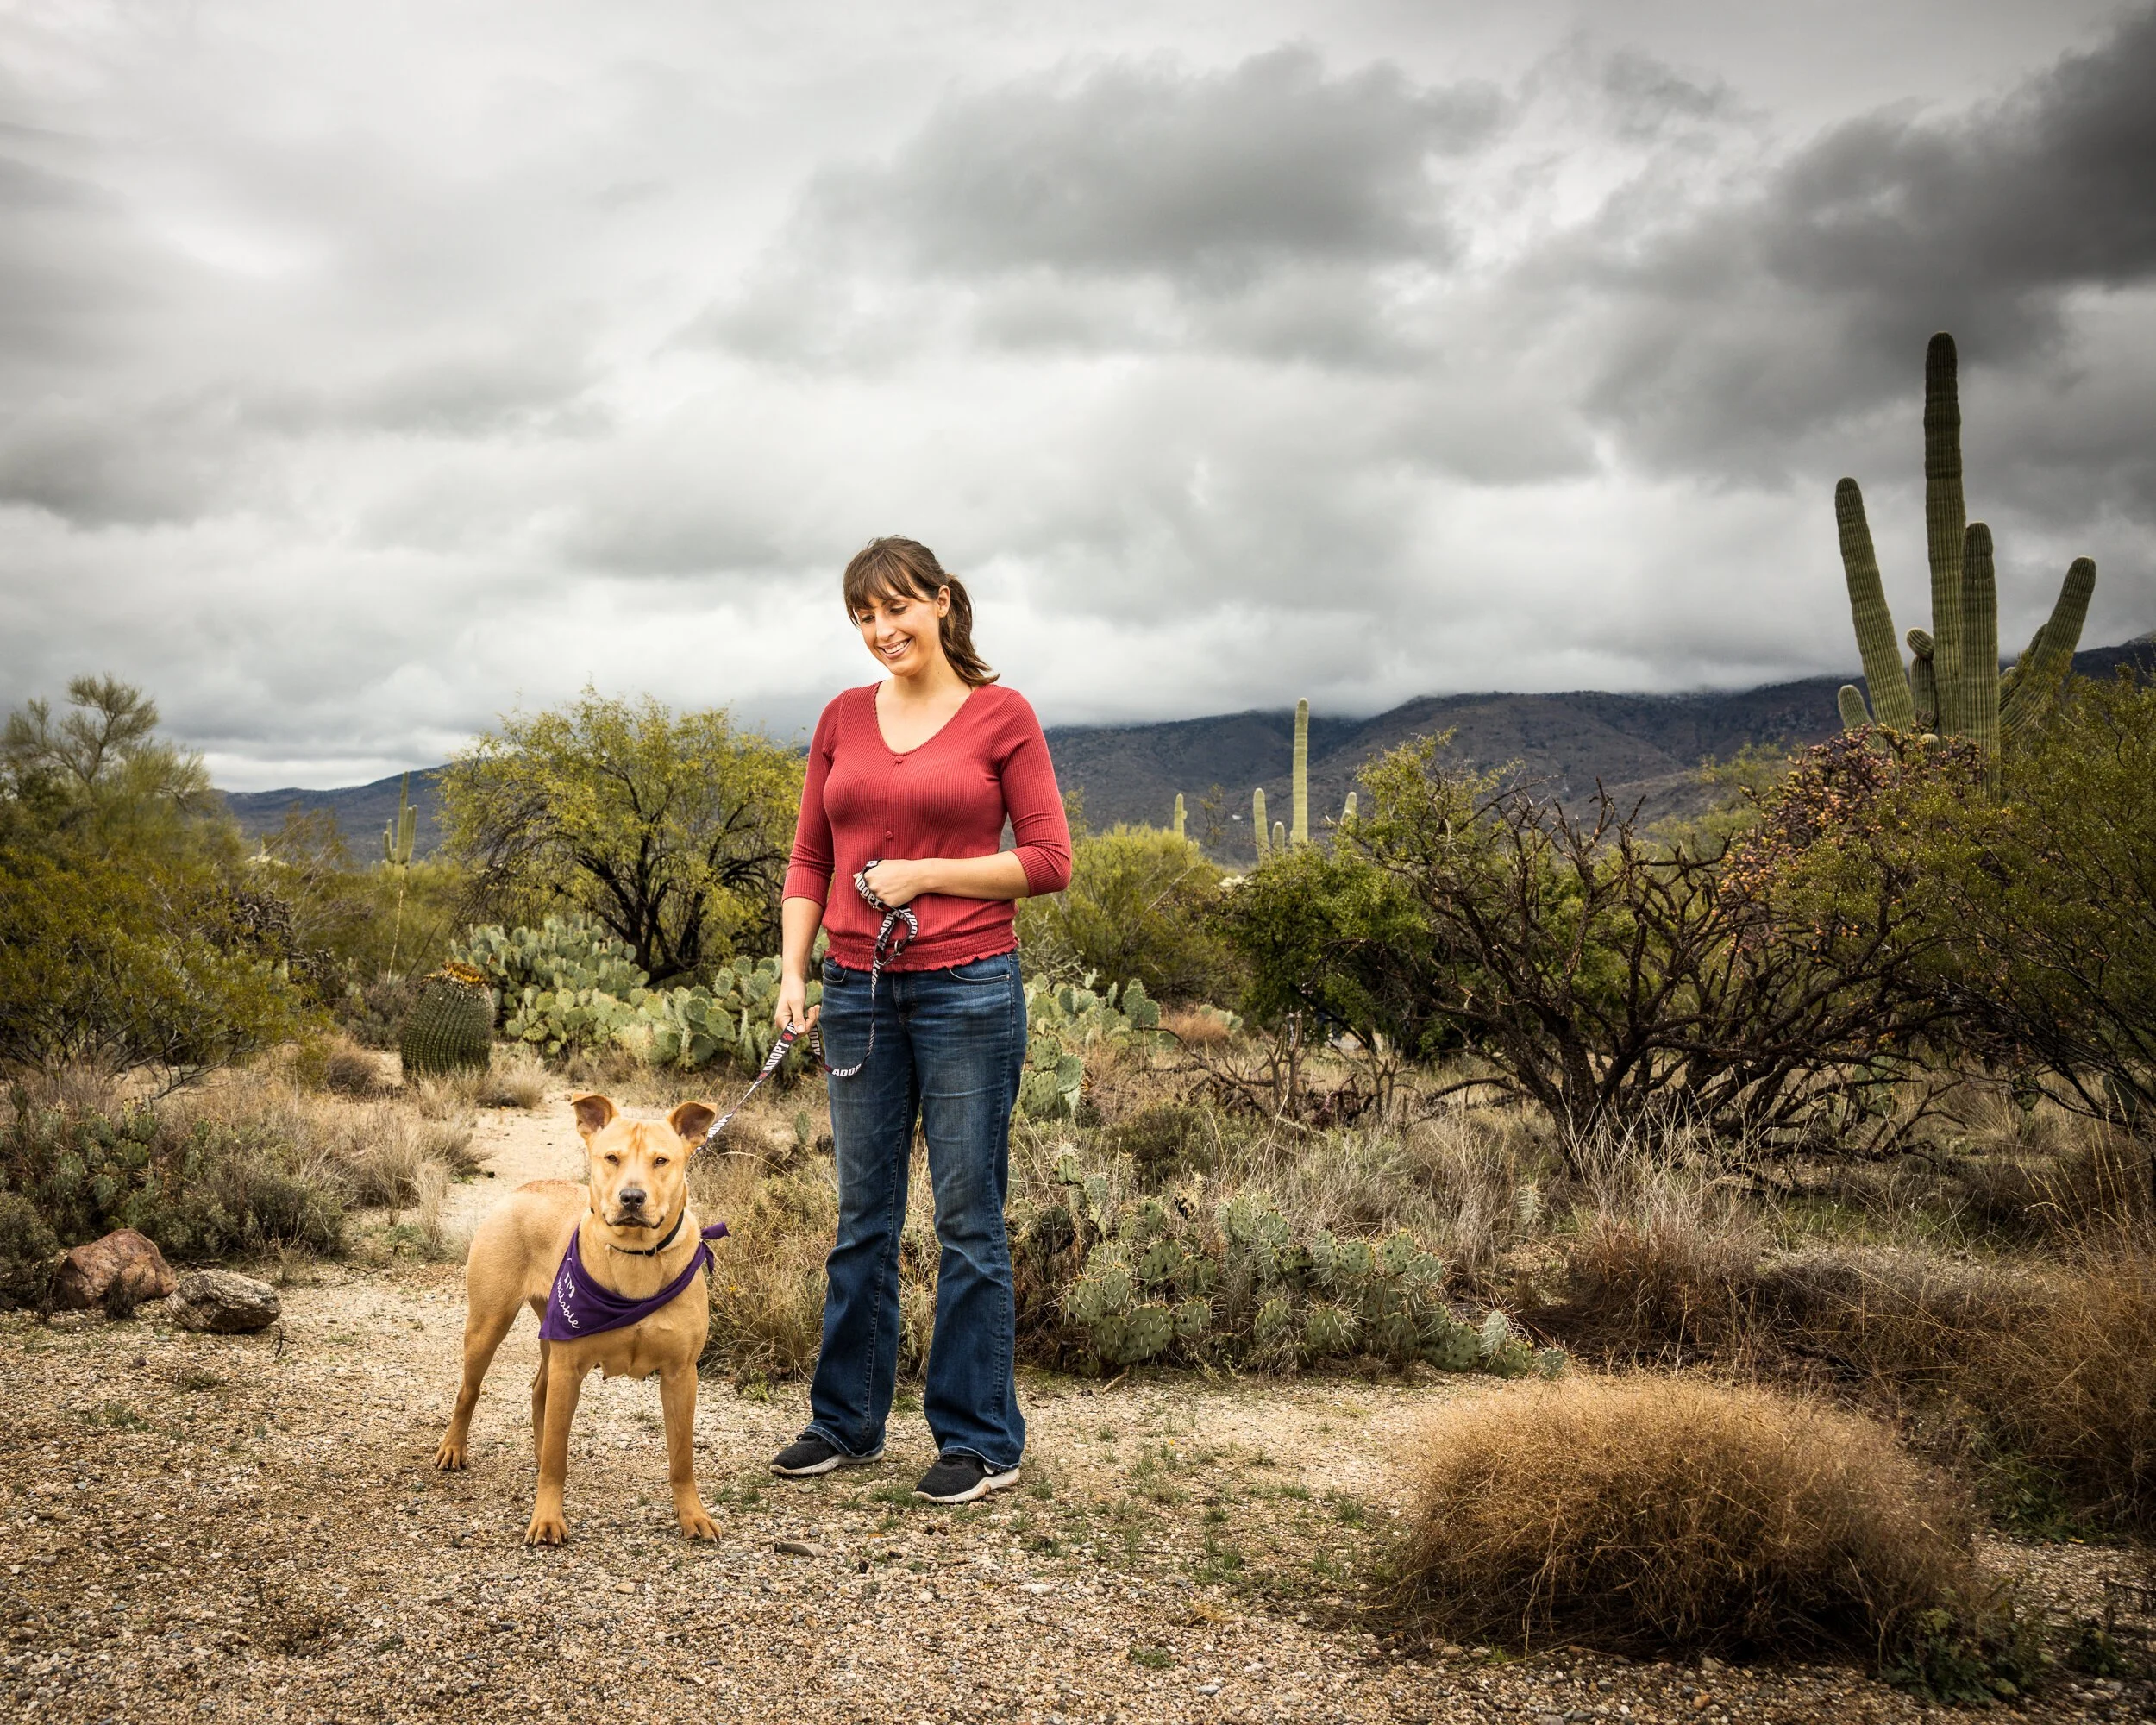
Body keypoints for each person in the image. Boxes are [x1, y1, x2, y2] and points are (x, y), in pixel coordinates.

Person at [768, 536, 1072, 1503]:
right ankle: (845, 1422)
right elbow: (811, 855)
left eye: (896, 608)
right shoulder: (840, 717)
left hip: (968, 988)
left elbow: (1050, 860)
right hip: (854, 990)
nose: (880, 630)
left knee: (967, 1218)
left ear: (941, 602)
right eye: (863, 616)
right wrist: (793, 970)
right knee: (863, 1217)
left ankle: (980, 1436)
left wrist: (929, 873)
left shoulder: (1001, 714)